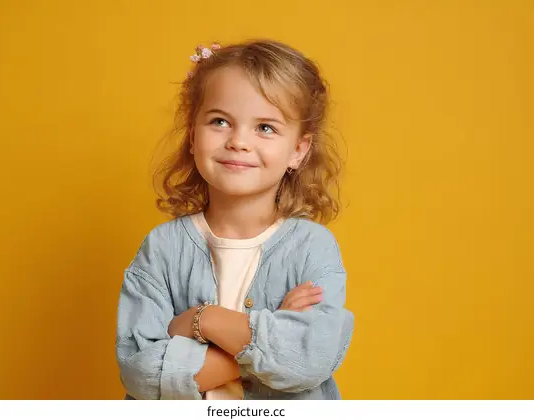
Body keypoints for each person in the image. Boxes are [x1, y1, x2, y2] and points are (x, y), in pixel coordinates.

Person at [115, 39, 355, 400]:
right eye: (220, 121)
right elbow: (141, 373)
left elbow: (307, 360)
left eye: (266, 128)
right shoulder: (162, 247)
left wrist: (203, 320)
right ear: (192, 136)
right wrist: (264, 340)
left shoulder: (312, 247)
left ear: (298, 150)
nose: (239, 141)